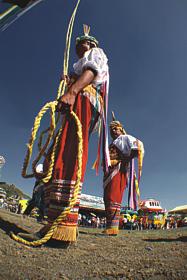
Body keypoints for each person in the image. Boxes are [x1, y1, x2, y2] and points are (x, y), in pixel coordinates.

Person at [35, 25, 110, 245]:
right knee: (61, 151)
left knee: (70, 152)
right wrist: (69, 82)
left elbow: (92, 71)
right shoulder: (78, 67)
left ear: (91, 44)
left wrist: (72, 91)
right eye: (78, 43)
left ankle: (62, 228)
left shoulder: (95, 54)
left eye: (83, 43)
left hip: (83, 101)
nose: (80, 46)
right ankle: (56, 223)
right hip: (77, 100)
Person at [103, 114, 144, 236]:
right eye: (111, 130)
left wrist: (127, 158)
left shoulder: (124, 138)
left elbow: (139, 146)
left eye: (116, 129)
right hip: (110, 173)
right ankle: (110, 226)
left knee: (113, 196)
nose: (113, 131)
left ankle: (113, 228)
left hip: (118, 172)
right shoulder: (114, 142)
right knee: (107, 197)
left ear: (121, 129)